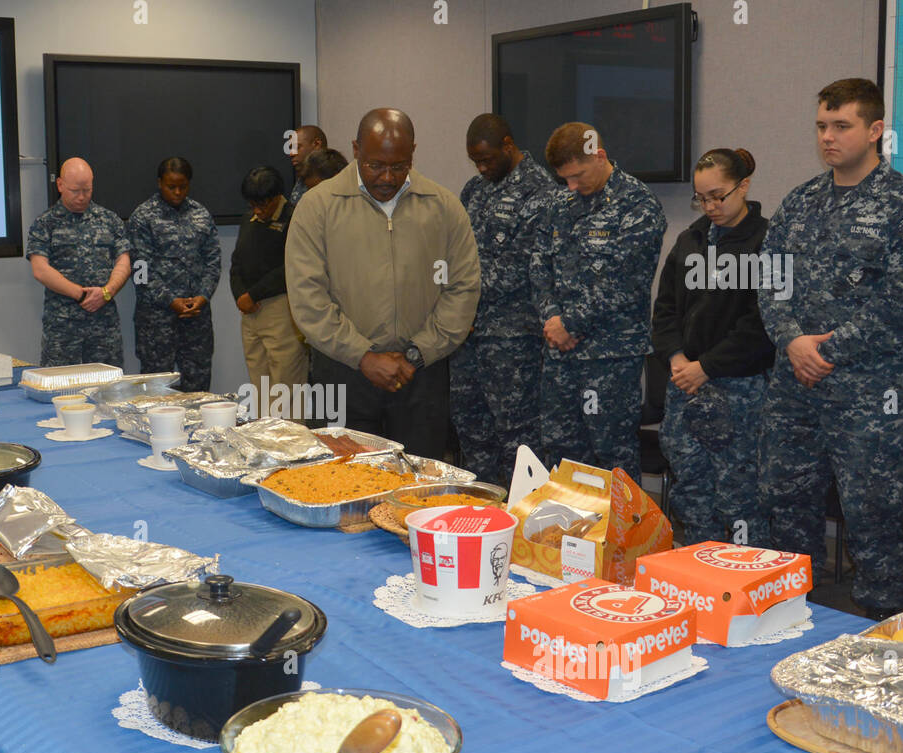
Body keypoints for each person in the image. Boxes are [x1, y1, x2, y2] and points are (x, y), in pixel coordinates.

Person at [758, 78, 903, 619]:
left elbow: (902, 306)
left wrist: (827, 350)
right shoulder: (800, 201)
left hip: (867, 397)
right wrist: (792, 340)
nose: (828, 137)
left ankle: (882, 643)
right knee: (785, 510)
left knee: (873, 522)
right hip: (794, 389)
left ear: (875, 130)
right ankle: (790, 620)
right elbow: (770, 279)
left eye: (842, 126)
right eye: (821, 126)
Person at [285, 108, 480, 458]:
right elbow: (308, 297)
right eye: (376, 165)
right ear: (356, 149)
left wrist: (418, 353)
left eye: (399, 166)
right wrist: (362, 356)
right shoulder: (317, 208)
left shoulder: (443, 207)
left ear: (413, 153)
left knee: (419, 490)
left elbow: (462, 288)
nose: (387, 178)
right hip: (342, 373)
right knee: (344, 489)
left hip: (421, 376)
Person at [651, 148, 774, 546]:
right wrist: (677, 358)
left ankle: (744, 581)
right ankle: (696, 573)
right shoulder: (690, 240)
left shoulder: (769, 242)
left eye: (718, 196)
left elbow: (761, 324)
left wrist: (707, 366)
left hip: (740, 391)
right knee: (691, 494)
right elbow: (665, 309)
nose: (710, 206)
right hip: (685, 386)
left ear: (744, 186)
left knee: (741, 496)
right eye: (701, 198)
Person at [529, 122, 667, 477]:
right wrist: (553, 319)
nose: (571, 186)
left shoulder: (638, 205)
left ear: (599, 156)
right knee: (560, 455)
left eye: (577, 175)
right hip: (560, 353)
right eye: (564, 179)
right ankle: (565, 532)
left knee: (612, 458)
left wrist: (570, 324)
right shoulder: (560, 204)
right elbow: (539, 266)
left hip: (611, 357)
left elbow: (625, 282)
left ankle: (619, 535)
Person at [453, 113, 555, 488]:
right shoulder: (474, 190)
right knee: (471, 429)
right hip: (468, 338)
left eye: (487, 159)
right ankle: (478, 519)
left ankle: (523, 529)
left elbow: (522, 269)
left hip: (514, 342)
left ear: (508, 146)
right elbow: (457, 251)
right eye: (475, 161)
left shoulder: (540, 191)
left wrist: (458, 289)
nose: (481, 168)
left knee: (519, 439)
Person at [27, 157, 132, 367]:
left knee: (108, 389)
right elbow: (40, 270)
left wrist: (106, 292)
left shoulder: (109, 220)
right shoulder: (45, 223)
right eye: (75, 190)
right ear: (60, 185)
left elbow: (124, 262)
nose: (82, 197)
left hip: (104, 327)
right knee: (62, 389)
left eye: (87, 190)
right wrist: (82, 295)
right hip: (63, 328)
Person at [127, 157, 221, 390]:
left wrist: (203, 296)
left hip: (196, 320)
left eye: (183, 186)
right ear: (160, 183)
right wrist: (171, 301)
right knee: (157, 394)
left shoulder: (201, 214)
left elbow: (213, 262)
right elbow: (140, 271)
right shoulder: (143, 217)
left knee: (198, 392)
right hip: (157, 324)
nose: (178, 192)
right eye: (171, 186)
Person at [231, 165, 306, 420]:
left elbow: (292, 266)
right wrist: (240, 295)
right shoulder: (248, 219)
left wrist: (253, 295)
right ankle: (265, 440)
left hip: (280, 308)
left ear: (276, 197)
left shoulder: (295, 217)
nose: (257, 211)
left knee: (285, 387)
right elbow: (236, 263)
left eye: (262, 205)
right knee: (259, 384)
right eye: (252, 204)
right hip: (249, 312)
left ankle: (291, 447)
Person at [287, 125, 327, 204]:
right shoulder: (302, 180)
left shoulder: (334, 177)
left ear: (316, 145)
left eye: (297, 147)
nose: (291, 154)